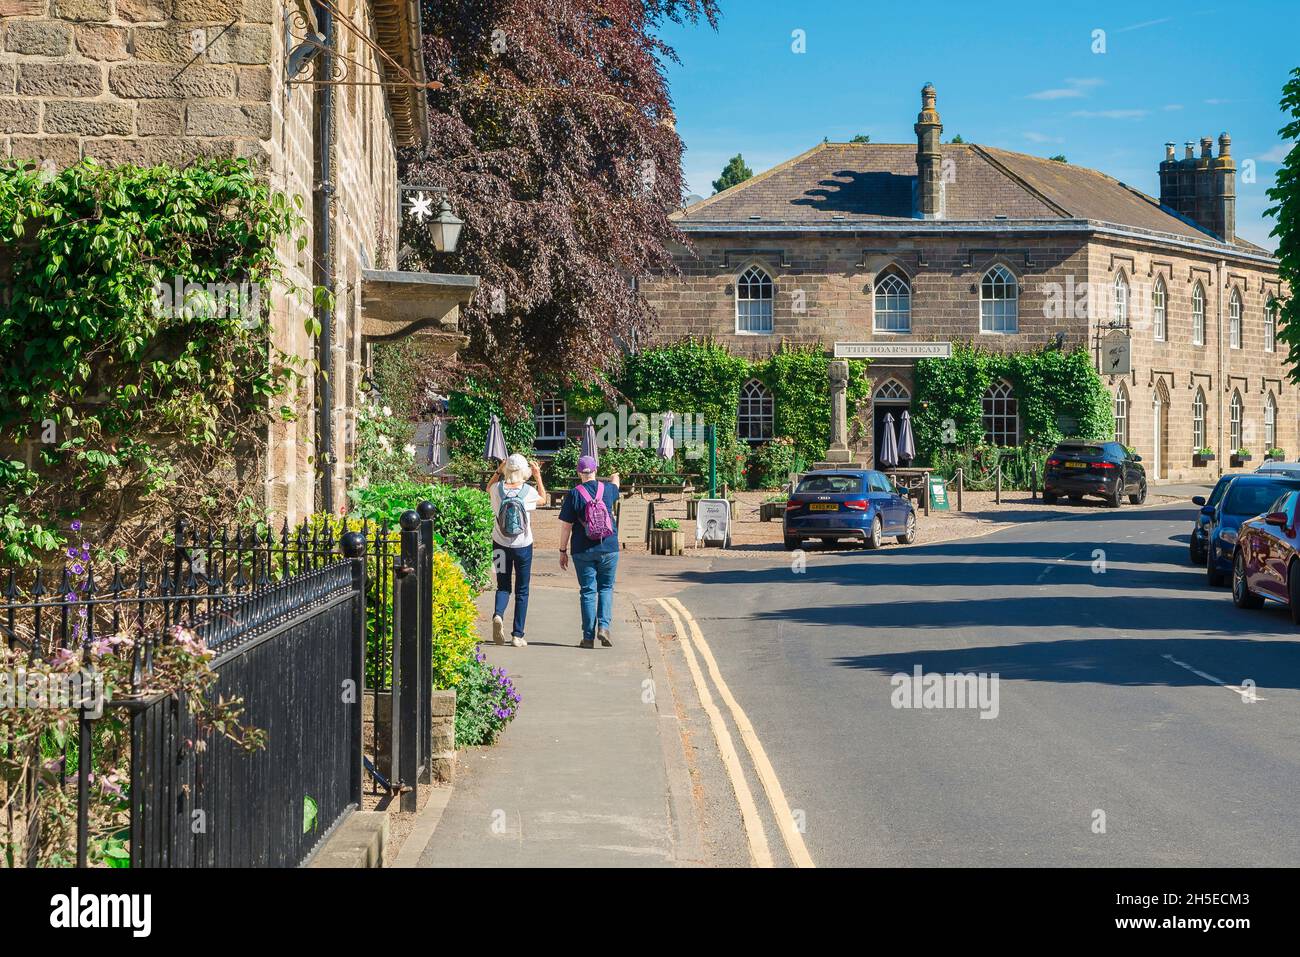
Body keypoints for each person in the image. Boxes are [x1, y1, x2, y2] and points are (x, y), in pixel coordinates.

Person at [558, 455, 620, 649]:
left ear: (579, 473)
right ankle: (604, 626)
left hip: (582, 549)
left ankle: (587, 638)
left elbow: (566, 527)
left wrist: (562, 550)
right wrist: (615, 475)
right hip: (609, 547)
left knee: (587, 591)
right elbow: (616, 484)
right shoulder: (608, 489)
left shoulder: (574, 494)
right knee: (606, 588)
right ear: (595, 470)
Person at [488, 453, 545, 647]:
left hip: (499, 544)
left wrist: (498, 470)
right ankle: (517, 635)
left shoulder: (496, 489)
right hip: (523, 547)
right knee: (522, 590)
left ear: (506, 469)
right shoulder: (528, 491)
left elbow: (487, 487)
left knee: (502, 585)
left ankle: (498, 614)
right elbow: (543, 500)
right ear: (524, 471)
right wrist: (538, 476)